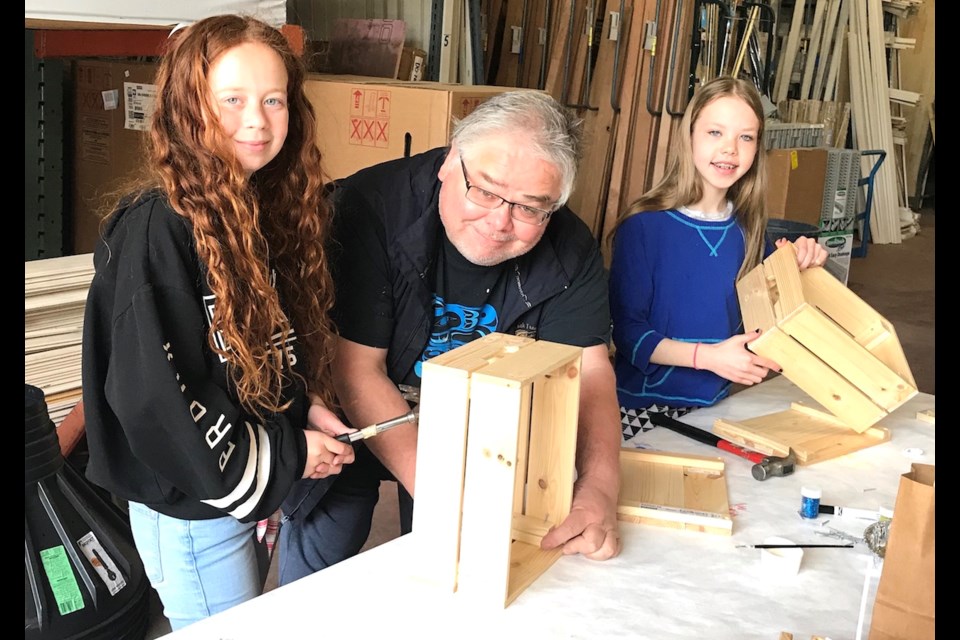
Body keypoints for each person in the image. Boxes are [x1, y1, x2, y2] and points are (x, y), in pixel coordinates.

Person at [278, 90, 622, 585]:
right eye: (484, 190)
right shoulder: (368, 209)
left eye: (529, 209)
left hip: (475, 436)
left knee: (454, 579)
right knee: (319, 575)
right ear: (449, 161)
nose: (499, 223)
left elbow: (589, 371)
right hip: (348, 423)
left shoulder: (569, 247)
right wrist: (446, 500)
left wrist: (600, 488)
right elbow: (355, 371)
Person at [80, 15, 355, 630]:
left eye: (273, 99)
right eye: (231, 100)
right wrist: (288, 455)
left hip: (233, 496)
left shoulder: (254, 210)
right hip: (192, 510)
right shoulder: (158, 229)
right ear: (187, 108)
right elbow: (156, 398)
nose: (256, 120)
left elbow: (253, 352)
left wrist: (301, 407)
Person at [607, 76, 828, 440]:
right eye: (715, 133)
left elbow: (765, 320)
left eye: (745, 137)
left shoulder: (751, 229)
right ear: (690, 135)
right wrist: (709, 358)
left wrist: (803, 266)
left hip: (720, 404)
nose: (730, 150)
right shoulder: (644, 225)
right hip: (643, 409)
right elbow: (628, 335)